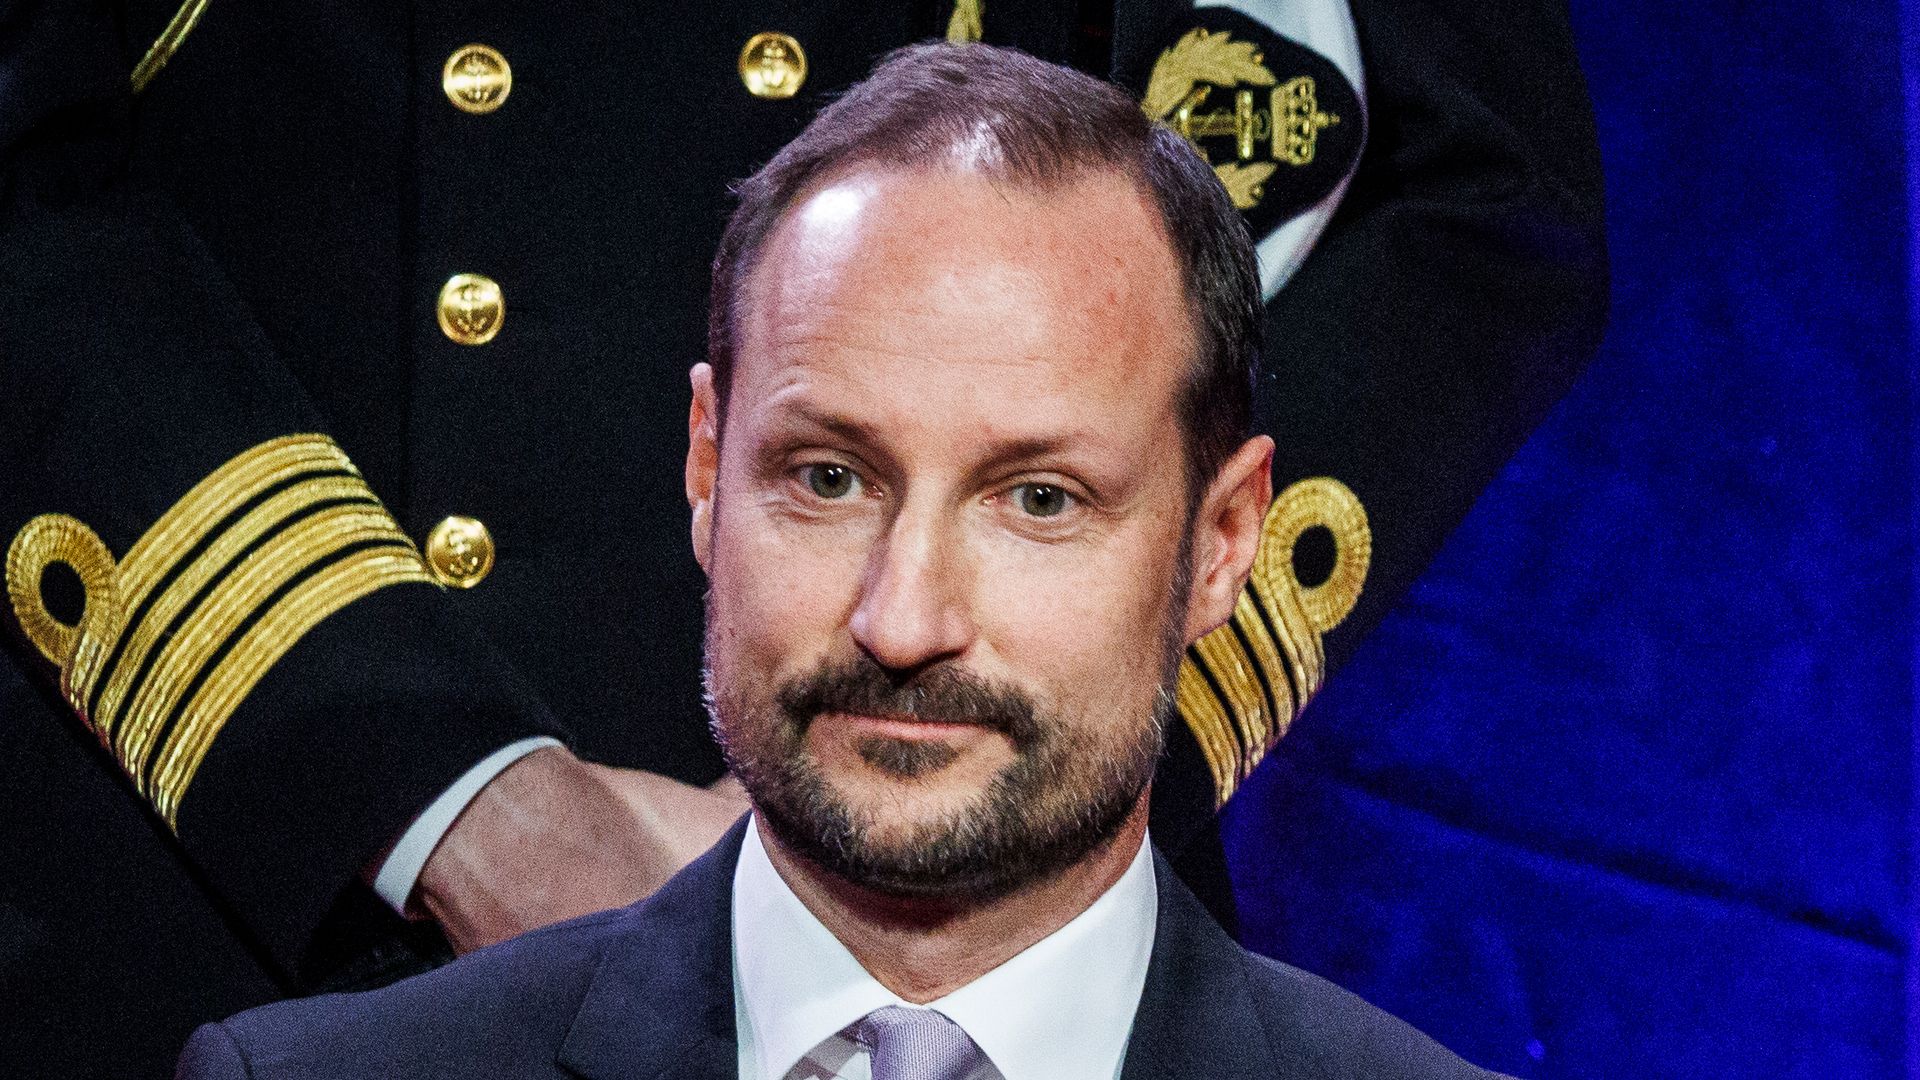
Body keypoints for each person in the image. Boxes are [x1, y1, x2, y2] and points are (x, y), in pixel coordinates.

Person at [0, 1, 1604, 1074]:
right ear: (708, 455)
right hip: (267, 878)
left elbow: (1460, 190)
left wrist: (1025, 764)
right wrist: (423, 788)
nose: (904, 617)